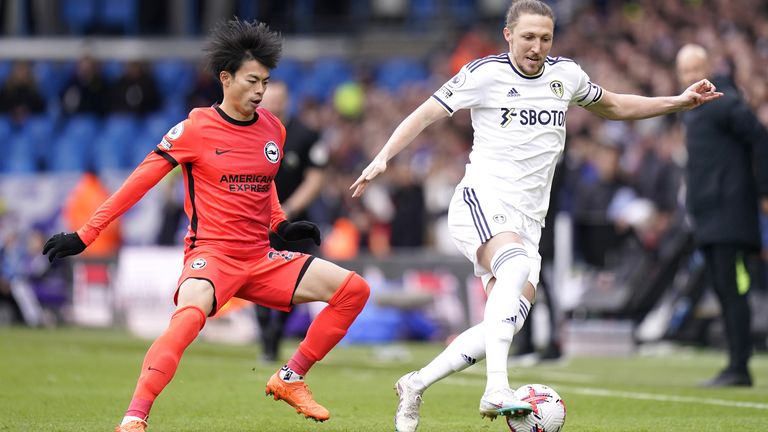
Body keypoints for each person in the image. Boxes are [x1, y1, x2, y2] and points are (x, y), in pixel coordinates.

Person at [350, 1, 722, 430]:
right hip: (482, 201)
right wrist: (382, 158)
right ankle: (496, 388)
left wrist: (679, 101)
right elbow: (426, 114)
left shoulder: (566, 76)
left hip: (529, 219)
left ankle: (416, 383)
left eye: (545, 37)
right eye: (528, 36)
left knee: (505, 321)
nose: (537, 46)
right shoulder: (484, 74)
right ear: (508, 35)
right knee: (515, 269)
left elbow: (616, 105)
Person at [42, 18, 370, 432]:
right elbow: (137, 183)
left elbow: (263, 186)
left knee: (353, 290)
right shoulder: (195, 128)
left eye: (265, 83)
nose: (260, 91)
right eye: (252, 81)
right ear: (225, 78)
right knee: (188, 318)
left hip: (261, 256)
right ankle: (134, 418)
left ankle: (290, 377)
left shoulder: (273, 129)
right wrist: (85, 234)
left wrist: (281, 225)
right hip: (212, 255)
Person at [675, 44, 768, 387]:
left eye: (697, 68)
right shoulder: (691, 111)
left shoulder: (725, 102)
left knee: (733, 291)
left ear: (709, 67)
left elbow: (760, 138)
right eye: (685, 71)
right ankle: (734, 364)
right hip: (708, 216)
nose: (691, 76)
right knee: (723, 289)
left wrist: (763, 191)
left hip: (731, 214)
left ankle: (739, 367)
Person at [255, 80, 328, 363]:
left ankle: (277, 332)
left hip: (295, 224)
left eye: (278, 99)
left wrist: (287, 209)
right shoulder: (249, 132)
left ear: (287, 100)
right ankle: (267, 338)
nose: (273, 104)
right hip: (257, 223)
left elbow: (316, 178)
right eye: (267, 99)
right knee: (256, 284)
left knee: (298, 285)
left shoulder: (306, 135)